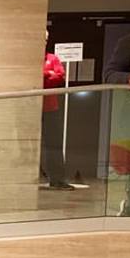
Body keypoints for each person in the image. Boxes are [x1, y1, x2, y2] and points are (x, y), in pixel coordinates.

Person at [41, 30, 72, 190]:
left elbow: (59, 77)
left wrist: (44, 76)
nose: (44, 42)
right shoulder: (26, 60)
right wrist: (48, 74)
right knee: (25, 145)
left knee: (54, 145)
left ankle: (57, 180)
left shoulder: (52, 58)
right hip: (27, 108)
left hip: (50, 107)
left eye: (45, 39)